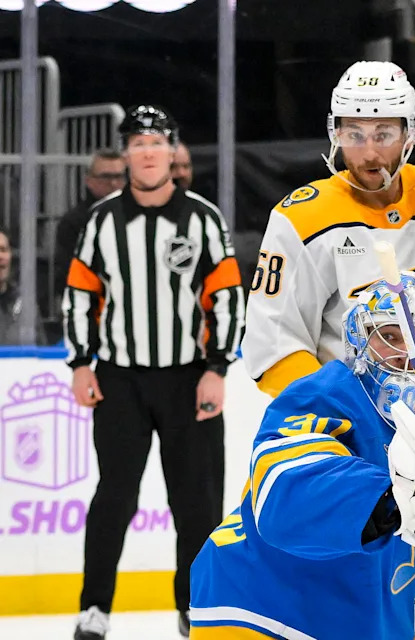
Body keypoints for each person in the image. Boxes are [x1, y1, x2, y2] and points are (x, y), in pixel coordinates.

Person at [189, 275, 415, 640]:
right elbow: (288, 485)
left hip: (340, 608)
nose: (405, 353)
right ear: (359, 339)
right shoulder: (324, 392)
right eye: (390, 336)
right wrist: (392, 497)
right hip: (259, 604)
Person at [241, 60, 415, 453]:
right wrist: (349, 418)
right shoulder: (302, 218)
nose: (368, 153)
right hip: (351, 450)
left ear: (408, 134)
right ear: (335, 133)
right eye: (354, 134)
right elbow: (272, 347)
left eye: (383, 134)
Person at [64, 104, 245, 640]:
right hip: (119, 378)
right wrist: (79, 361)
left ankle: (195, 612)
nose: (147, 152)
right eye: (137, 143)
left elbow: (227, 299)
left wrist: (217, 368)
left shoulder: (204, 219)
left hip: (190, 378)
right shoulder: (101, 220)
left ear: (173, 152)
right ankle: (94, 609)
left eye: (156, 143)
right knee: (114, 498)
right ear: (126, 154)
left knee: (197, 502)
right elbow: (80, 294)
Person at [53, 149, 127, 320]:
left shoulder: (137, 218)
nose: (114, 183)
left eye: (119, 176)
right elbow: (66, 276)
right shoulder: (74, 222)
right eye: (106, 177)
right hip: (89, 312)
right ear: (89, 180)